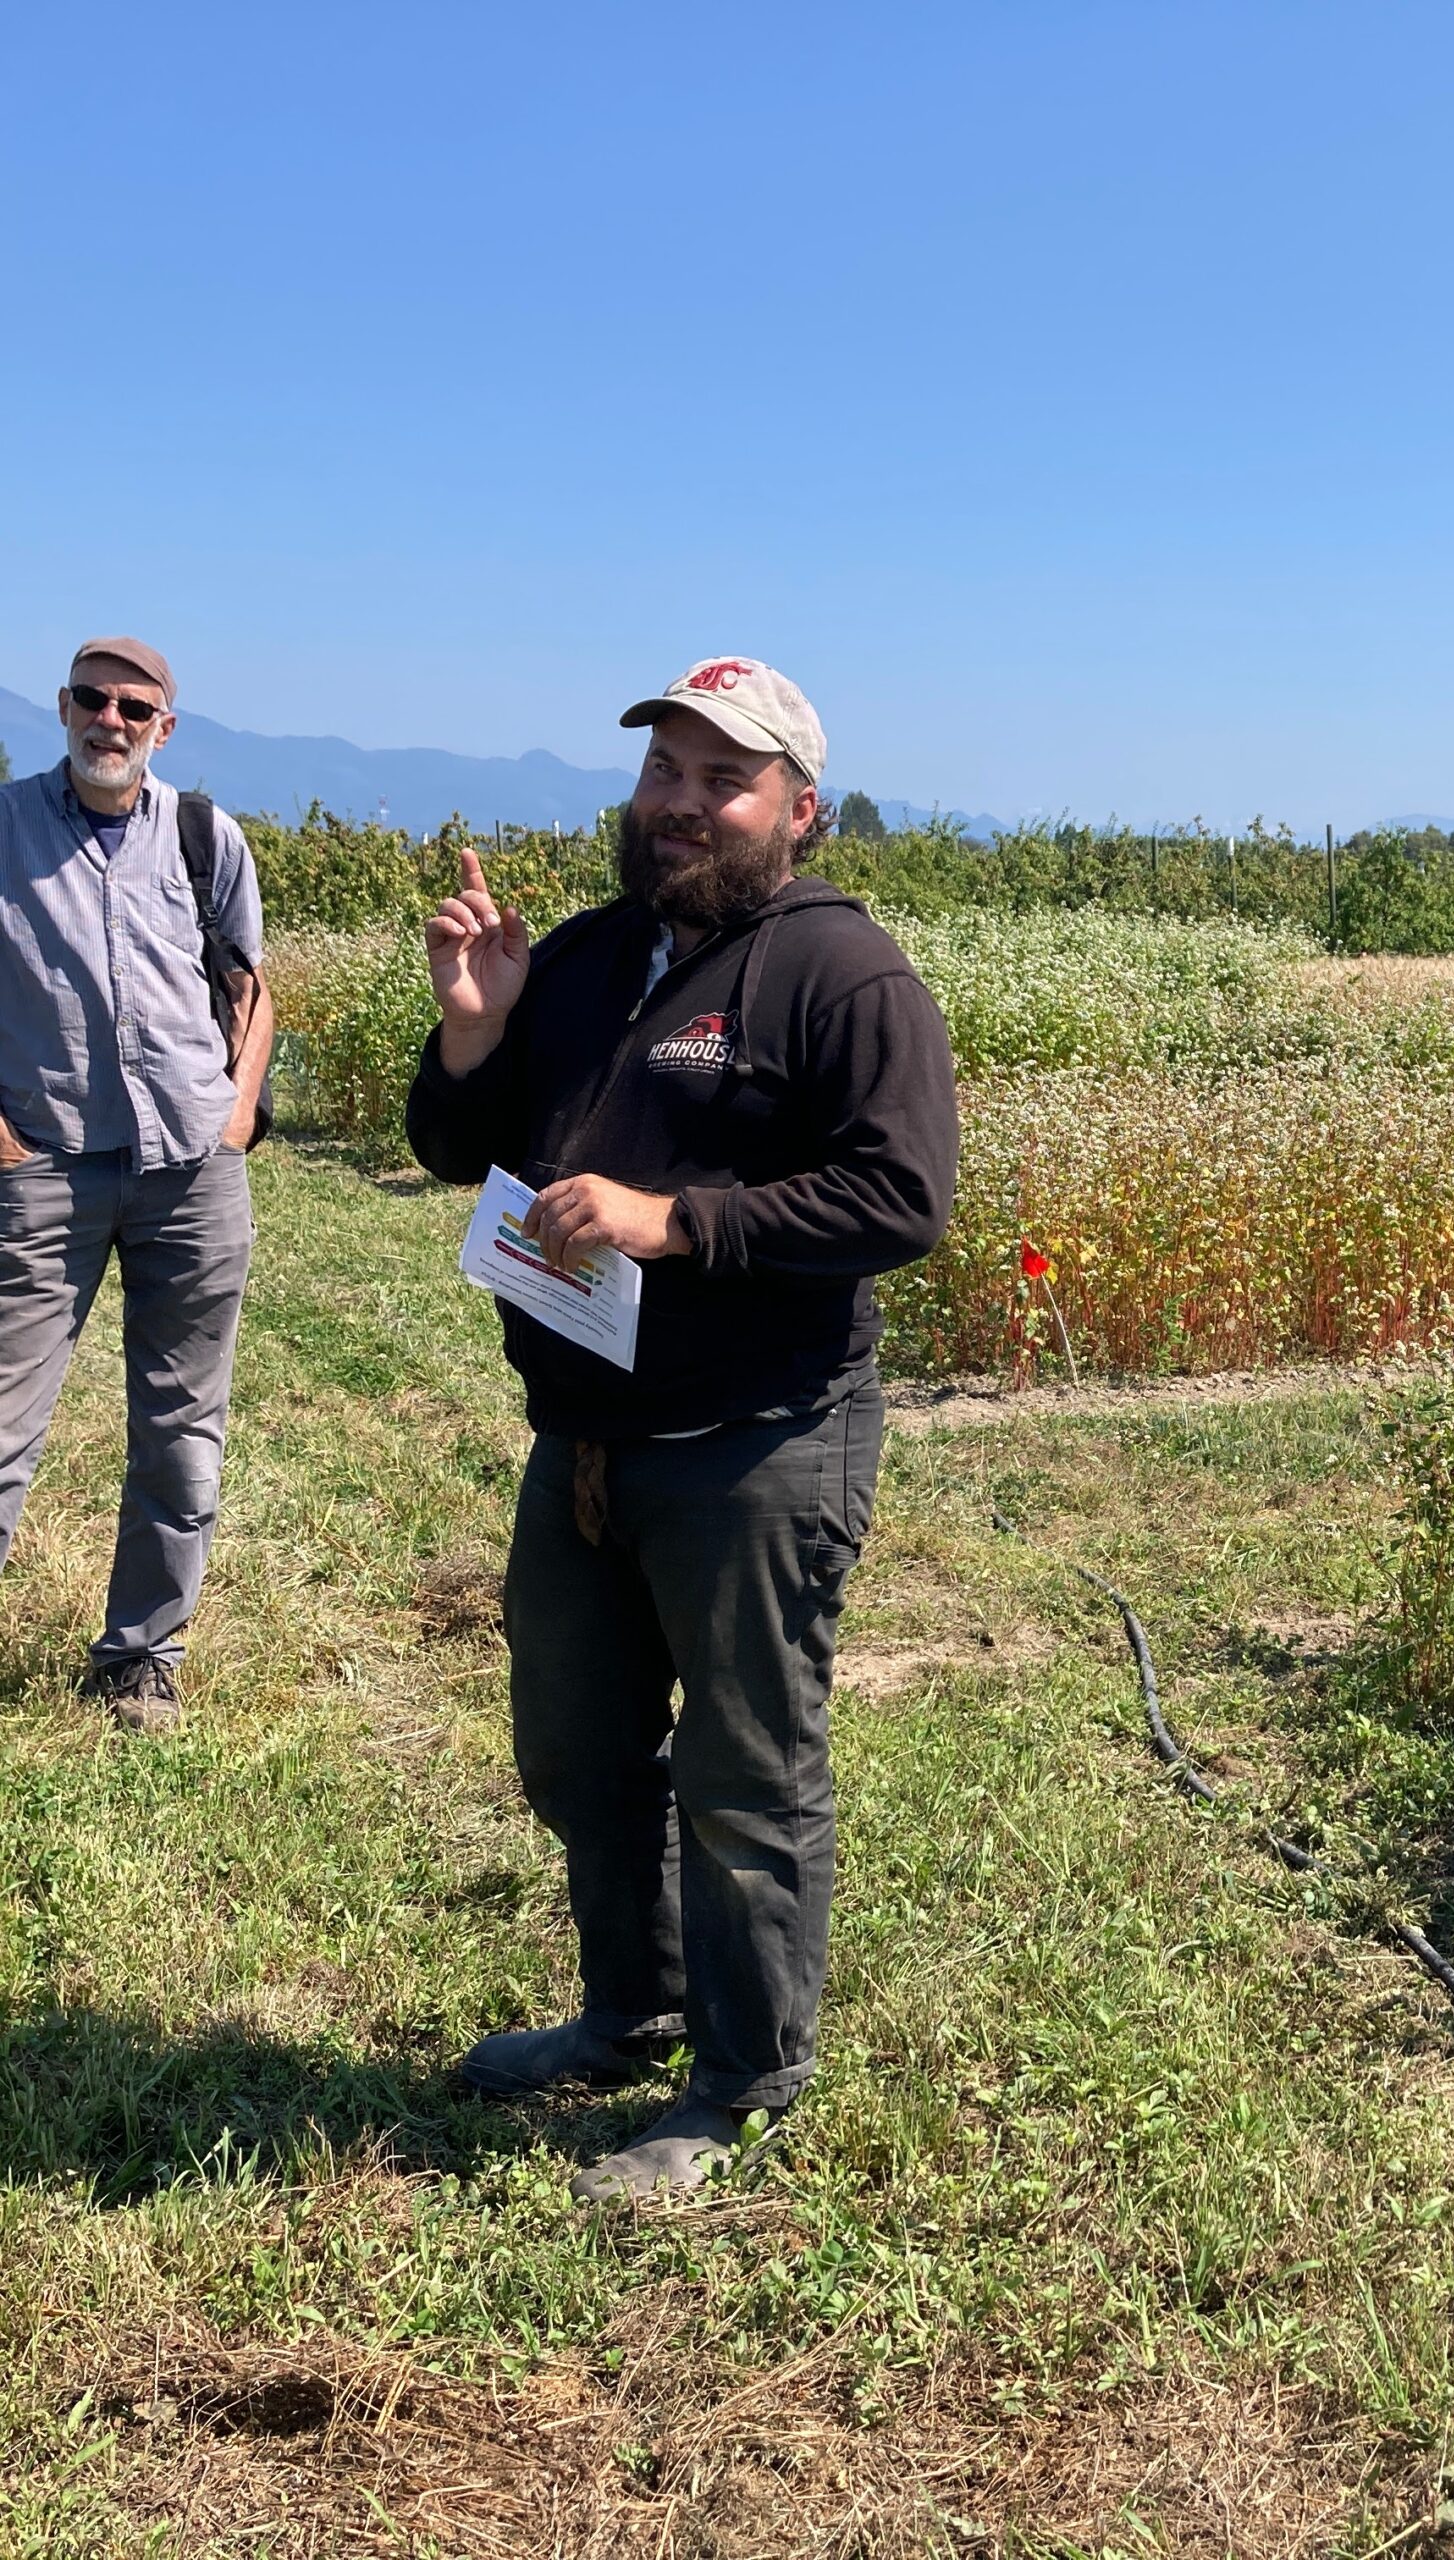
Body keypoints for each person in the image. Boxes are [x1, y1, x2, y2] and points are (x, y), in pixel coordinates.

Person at [407, 657, 959, 2201]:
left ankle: (738, 2083)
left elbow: (902, 1197)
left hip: (756, 1436)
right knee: (579, 1751)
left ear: (799, 809)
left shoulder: (843, 976)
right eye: (663, 771)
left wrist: (678, 1221)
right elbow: (458, 1148)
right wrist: (472, 1032)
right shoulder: (582, 959)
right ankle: (629, 2011)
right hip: (582, 1434)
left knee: (743, 1769)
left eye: (721, 780)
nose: (679, 804)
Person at [0, 638, 271, 1732]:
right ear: (62, 707)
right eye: (91, 699)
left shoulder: (207, 835)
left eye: (134, 707)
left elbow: (250, 983)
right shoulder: (6, 831)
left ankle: (142, 1655)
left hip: (192, 1172)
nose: (109, 719)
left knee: (181, 1428)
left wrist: (240, 1108)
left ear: (165, 727)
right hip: (45, 1168)